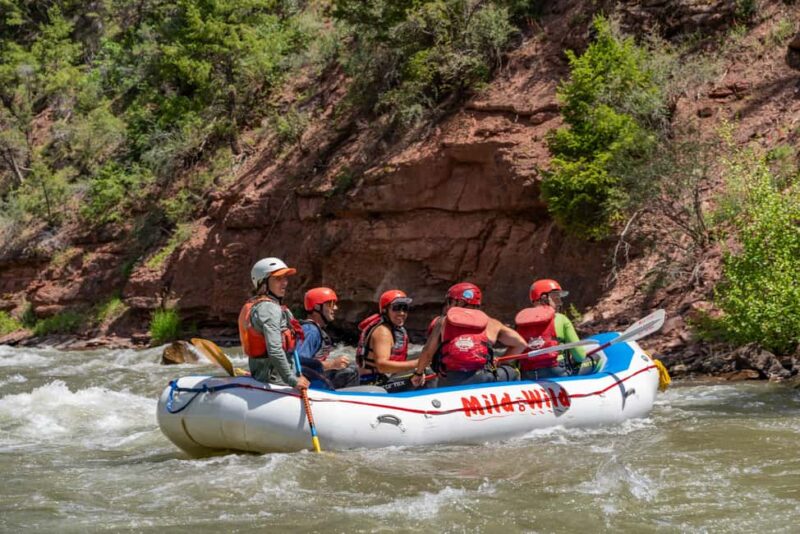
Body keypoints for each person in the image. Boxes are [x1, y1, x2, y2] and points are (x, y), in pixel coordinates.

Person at [411, 282, 527, 387]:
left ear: (459, 302)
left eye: (449, 301)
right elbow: (520, 344)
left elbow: (427, 352)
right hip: (483, 379)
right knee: (512, 371)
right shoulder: (491, 323)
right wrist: (501, 362)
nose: (447, 306)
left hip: (449, 381)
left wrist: (418, 373)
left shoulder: (442, 321)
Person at [238, 257, 309, 391]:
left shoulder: (259, 305)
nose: (284, 283)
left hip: (267, 376)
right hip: (276, 380)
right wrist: (292, 379)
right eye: (278, 279)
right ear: (263, 283)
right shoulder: (269, 309)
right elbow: (275, 350)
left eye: (285, 278)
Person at [514, 278, 590, 380]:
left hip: (528, 375)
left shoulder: (520, 323)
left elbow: (514, 360)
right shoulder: (561, 319)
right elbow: (580, 356)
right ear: (543, 298)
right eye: (555, 297)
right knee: (595, 359)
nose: (560, 302)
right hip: (558, 372)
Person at [355, 289, 420, 391]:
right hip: (372, 383)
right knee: (425, 375)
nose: (402, 313)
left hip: (384, 378)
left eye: (405, 308)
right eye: (396, 308)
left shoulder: (392, 329)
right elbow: (382, 366)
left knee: (423, 373)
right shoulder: (383, 332)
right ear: (385, 310)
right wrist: (418, 363)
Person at [297, 287, 359, 389]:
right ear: (317, 307)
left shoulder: (313, 329)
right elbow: (299, 362)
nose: (335, 308)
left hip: (313, 379)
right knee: (351, 371)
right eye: (330, 304)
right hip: (308, 384)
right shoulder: (310, 331)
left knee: (350, 367)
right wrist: (331, 364)